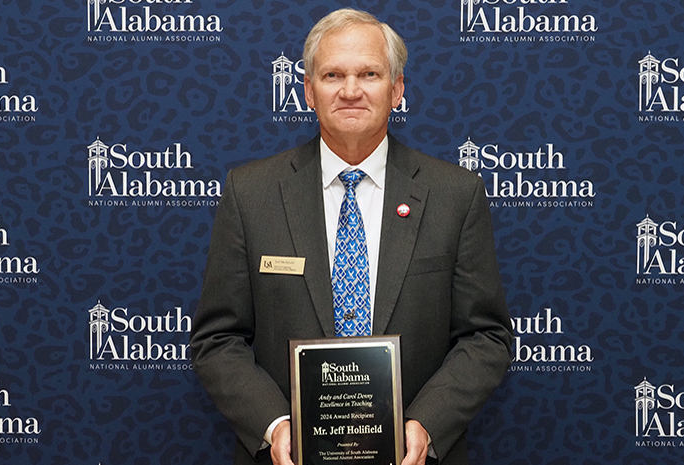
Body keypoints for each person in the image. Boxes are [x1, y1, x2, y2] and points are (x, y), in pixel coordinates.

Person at [190, 8, 513, 465]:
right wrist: (276, 427)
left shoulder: (454, 194)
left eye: (369, 73)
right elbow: (217, 338)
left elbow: (487, 336)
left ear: (397, 89)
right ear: (308, 91)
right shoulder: (251, 193)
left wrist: (426, 424)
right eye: (332, 75)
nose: (350, 91)